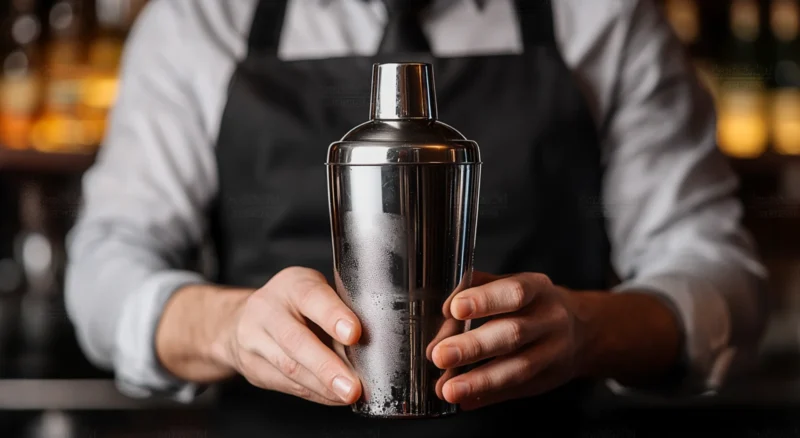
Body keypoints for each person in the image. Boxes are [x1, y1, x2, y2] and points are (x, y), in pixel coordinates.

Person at [65, 0, 768, 436]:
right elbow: (105, 270)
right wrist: (228, 327)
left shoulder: (604, 17)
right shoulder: (198, 18)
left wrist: (590, 329)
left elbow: (721, 277)